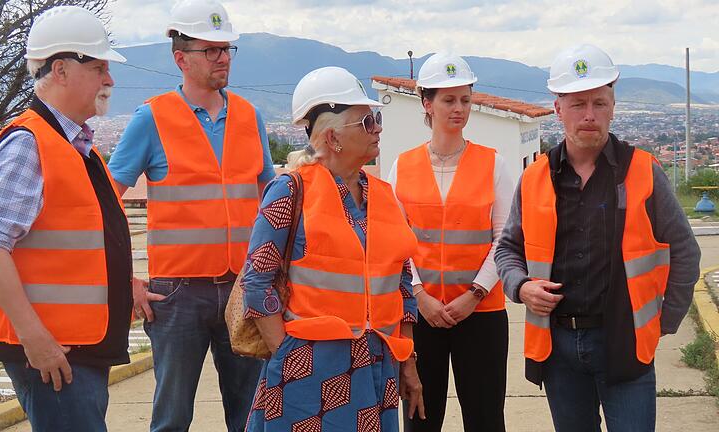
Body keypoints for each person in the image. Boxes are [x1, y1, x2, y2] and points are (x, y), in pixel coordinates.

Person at [495, 44, 701, 432]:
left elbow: (685, 253)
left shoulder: (643, 172)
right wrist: (520, 287)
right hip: (558, 346)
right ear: (558, 110)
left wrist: (662, 322)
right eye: (577, 104)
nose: (589, 115)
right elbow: (508, 247)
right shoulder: (535, 178)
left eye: (599, 103)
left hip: (623, 341)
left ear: (612, 107)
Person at [107, 1, 274, 430]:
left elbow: (270, 202)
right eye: (211, 50)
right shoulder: (152, 118)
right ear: (180, 58)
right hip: (176, 295)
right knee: (172, 417)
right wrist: (126, 280)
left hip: (242, 288)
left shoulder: (249, 117)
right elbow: (106, 203)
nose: (222, 58)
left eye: (227, 49)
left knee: (252, 414)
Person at [0, 6, 131, 431]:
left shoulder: (79, 147)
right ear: (60, 70)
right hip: (53, 354)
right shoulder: (29, 143)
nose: (109, 80)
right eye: (99, 68)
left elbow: (81, 244)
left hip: (75, 349)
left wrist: (129, 287)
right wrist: (34, 339)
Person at [242, 66, 424, 431]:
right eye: (367, 122)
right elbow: (256, 281)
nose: (378, 129)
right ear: (333, 136)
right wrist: (287, 354)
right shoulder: (290, 191)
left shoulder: (384, 196)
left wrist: (408, 360)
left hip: (378, 366)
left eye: (377, 119)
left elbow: (402, 284)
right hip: (311, 371)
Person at [388, 52, 513, 432]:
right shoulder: (402, 166)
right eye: (448, 99)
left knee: (485, 419)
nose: (459, 108)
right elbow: (396, 242)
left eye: (465, 99)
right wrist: (418, 295)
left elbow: (504, 240)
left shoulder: (494, 164)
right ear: (427, 103)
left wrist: (474, 293)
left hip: (482, 314)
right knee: (420, 419)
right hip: (421, 315)